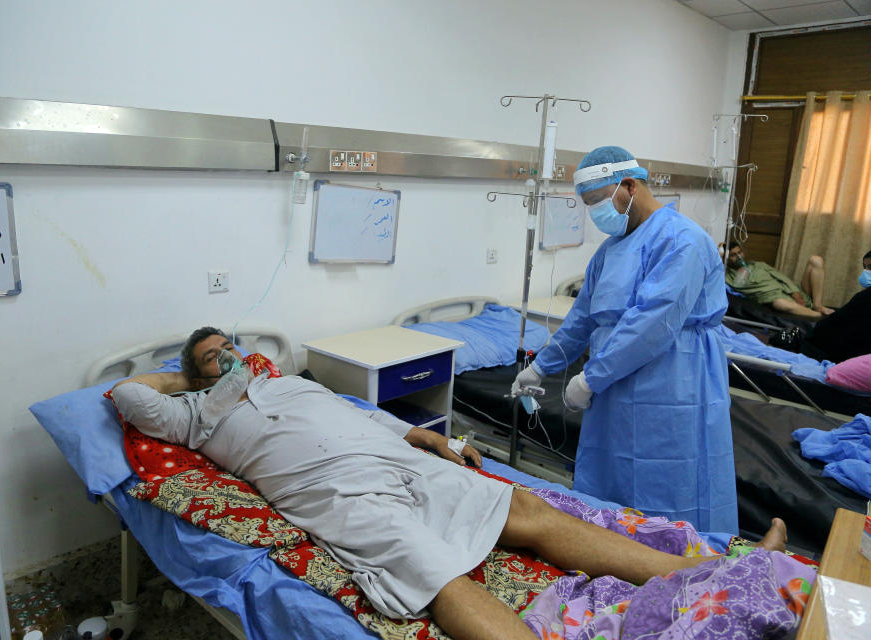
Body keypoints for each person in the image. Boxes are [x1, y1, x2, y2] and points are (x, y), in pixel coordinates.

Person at [111, 326, 786, 640]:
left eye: (231, 345)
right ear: (195, 374)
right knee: (436, 577)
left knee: (523, 505)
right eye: (212, 356)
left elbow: (350, 415)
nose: (230, 356)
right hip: (335, 496)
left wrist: (412, 435)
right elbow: (124, 396)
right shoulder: (192, 416)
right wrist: (198, 377)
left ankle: (701, 571)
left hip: (395, 457)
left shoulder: (285, 378)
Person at [512, 146, 738, 534]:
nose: (595, 213)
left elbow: (654, 323)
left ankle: (686, 568)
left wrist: (590, 378)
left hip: (673, 383)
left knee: (670, 489)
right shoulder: (609, 251)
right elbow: (583, 319)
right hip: (615, 388)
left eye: (598, 200)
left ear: (629, 185)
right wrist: (540, 368)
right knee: (611, 483)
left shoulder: (682, 240)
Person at [723, 242, 834, 318]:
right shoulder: (729, 277)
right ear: (726, 258)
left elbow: (782, 277)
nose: (739, 256)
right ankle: (819, 317)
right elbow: (715, 267)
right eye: (733, 255)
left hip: (794, 293)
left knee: (816, 260)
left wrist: (795, 292)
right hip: (778, 299)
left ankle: (817, 305)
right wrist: (721, 254)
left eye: (740, 252)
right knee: (780, 303)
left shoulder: (758, 265)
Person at [800, 249, 871, 362]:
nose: (866, 272)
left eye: (870, 267)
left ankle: (817, 307)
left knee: (815, 260)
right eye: (865, 267)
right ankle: (817, 307)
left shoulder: (865, 297)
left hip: (841, 355)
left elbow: (825, 331)